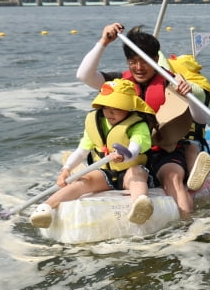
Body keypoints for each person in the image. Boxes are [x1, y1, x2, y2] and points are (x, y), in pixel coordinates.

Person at [77, 23, 210, 218]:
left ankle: (188, 227)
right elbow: (83, 75)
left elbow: (200, 120)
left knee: (173, 178)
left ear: (157, 59)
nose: (139, 68)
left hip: (162, 150)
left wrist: (189, 95)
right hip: (127, 153)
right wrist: (103, 42)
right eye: (133, 61)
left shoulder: (172, 82)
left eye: (145, 61)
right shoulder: (118, 83)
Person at [29, 78, 155, 228]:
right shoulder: (96, 122)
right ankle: (46, 207)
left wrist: (124, 156)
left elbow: (135, 148)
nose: (110, 112)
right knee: (84, 180)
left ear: (129, 107)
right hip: (106, 173)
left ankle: (140, 204)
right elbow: (82, 151)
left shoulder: (138, 125)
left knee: (136, 174)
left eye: (117, 107)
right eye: (106, 107)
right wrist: (66, 169)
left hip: (130, 171)